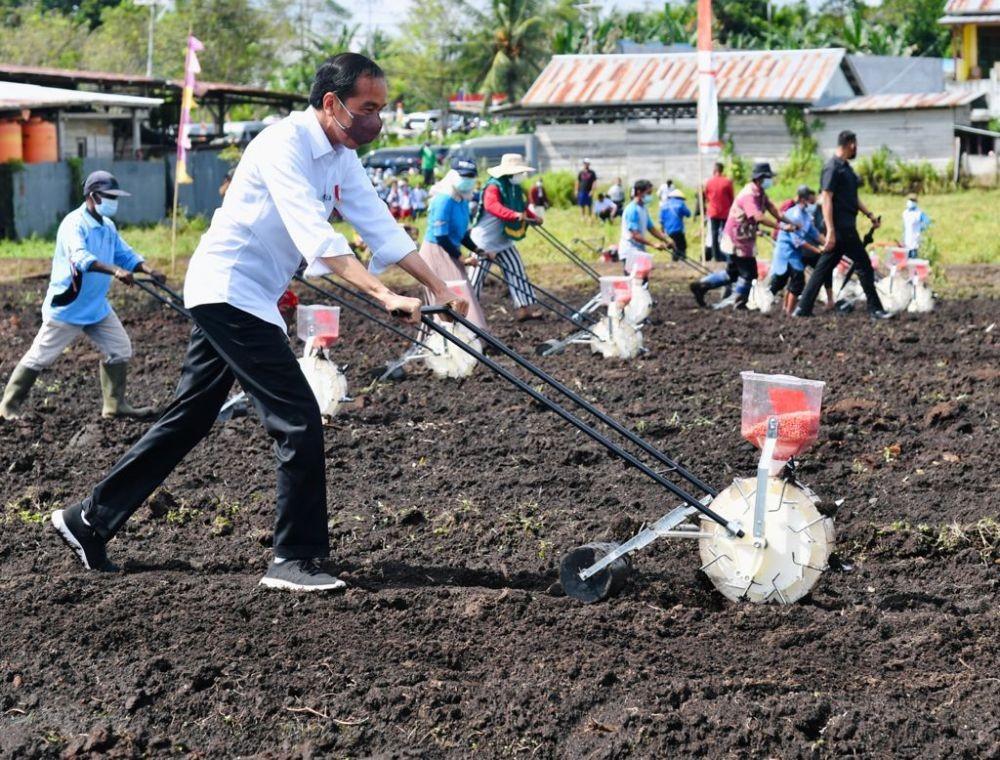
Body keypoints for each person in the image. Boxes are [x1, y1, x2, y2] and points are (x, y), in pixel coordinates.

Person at [49, 52, 467, 591]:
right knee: (297, 419)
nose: (375, 120)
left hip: (250, 298)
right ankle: (294, 558)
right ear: (333, 103)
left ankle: (88, 519)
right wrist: (383, 294)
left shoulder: (339, 155)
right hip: (229, 292)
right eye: (368, 107)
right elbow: (316, 236)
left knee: (190, 418)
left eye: (381, 109)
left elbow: (379, 224)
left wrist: (437, 286)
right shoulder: (282, 145)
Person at [0, 171, 165, 421]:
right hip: (69, 306)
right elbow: (81, 257)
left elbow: (126, 255)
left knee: (120, 348)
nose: (114, 201)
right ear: (93, 196)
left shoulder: (107, 226)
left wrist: (150, 270)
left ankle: (114, 406)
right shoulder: (73, 224)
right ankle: (7, 407)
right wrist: (115, 271)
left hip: (96, 306)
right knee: (40, 357)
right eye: (109, 196)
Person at [794, 130, 892, 320]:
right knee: (863, 264)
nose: (856, 148)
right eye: (855, 144)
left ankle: (803, 308)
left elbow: (852, 197)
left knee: (822, 268)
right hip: (840, 227)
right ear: (850, 144)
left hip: (845, 225)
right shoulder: (832, 168)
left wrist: (869, 215)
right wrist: (830, 230)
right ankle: (875, 309)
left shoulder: (846, 168)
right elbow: (827, 198)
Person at [689, 163, 798, 309]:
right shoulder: (749, 195)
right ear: (759, 179)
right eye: (767, 178)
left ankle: (701, 286)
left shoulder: (760, 192)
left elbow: (772, 209)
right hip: (737, 240)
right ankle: (737, 303)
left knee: (732, 274)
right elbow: (758, 217)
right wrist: (782, 227)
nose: (770, 181)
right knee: (749, 274)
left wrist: (790, 222)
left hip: (742, 238)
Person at [469, 153, 544, 321]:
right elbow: (492, 206)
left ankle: (523, 308)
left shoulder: (515, 188)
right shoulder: (493, 186)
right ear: (510, 172)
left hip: (503, 239)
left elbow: (521, 207)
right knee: (476, 278)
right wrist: (513, 215)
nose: (521, 176)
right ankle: (467, 312)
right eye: (519, 172)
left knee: (517, 271)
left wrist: (533, 217)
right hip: (484, 241)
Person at [417, 158, 488, 329]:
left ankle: (473, 338)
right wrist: (462, 258)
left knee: (464, 295)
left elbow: (462, 233)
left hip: (450, 250)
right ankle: (459, 339)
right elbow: (441, 236)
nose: (468, 180)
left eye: (471, 176)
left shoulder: (462, 199)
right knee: (453, 298)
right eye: (464, 176)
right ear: (453, 175)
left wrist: (478, 250)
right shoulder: (444, 199)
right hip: (437, 251)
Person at [769, 185, 826, 315]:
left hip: (794, 254)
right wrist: (816, 250)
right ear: (802, 199)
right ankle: (788, 312)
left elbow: (814, 233)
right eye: (808, 199)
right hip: (786, 252)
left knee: (792, 280)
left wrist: (827, 243)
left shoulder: (805, 215)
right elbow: (797, 241)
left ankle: (786, 309)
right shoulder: (794, 214)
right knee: (794, 280)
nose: (811, 202)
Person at [619, 179, 673, 275]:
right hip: (630, 252)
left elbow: (651, 228)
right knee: (635, 283)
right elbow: (635, 235)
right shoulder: (632, 209)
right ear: (639, 192)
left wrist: (666, 240)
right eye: (648, 193)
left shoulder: (643, 208)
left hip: (639, 251)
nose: (650, 196)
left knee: (643, 282)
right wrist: (653, 244)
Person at [704, 162, 734, 262]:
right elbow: (731, 197)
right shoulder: (727, 182)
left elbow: (707, 196)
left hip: (713, 212)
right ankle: (725, 254)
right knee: (726, 234)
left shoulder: (709, 182)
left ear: (715, 170)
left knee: (714, 233)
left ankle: (716, 256)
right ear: (722, 170)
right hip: (725, 212)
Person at [659, 188, 691, 261]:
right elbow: (688, 214)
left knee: (673, 246)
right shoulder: (680, 203)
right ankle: (682, 261)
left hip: (668, 230)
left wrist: (662, 231)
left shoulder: (664, 205)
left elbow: (661, 220)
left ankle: (674, 261)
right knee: (682, 246)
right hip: (678, 229)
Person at [902, 194, 930, 258]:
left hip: (915, 241)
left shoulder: (919, 213)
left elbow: (927, 222)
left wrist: (921, 228)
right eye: (909, 200)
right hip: (906, 241)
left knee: (913, 260)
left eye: (912, 200)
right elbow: (904, 227)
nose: (910, 202)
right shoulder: (905, 213)